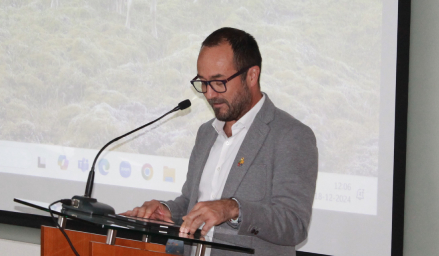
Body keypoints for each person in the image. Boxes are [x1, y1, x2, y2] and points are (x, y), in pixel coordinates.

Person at [123, 27, 318, 256]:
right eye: (203, 83)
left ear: (252, 75)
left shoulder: (290, 135)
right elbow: (191, 203)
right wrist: (165, 211)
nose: (209, 94)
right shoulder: (206, 133)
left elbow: (294, 224)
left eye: (218, 82)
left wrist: (234, 209)